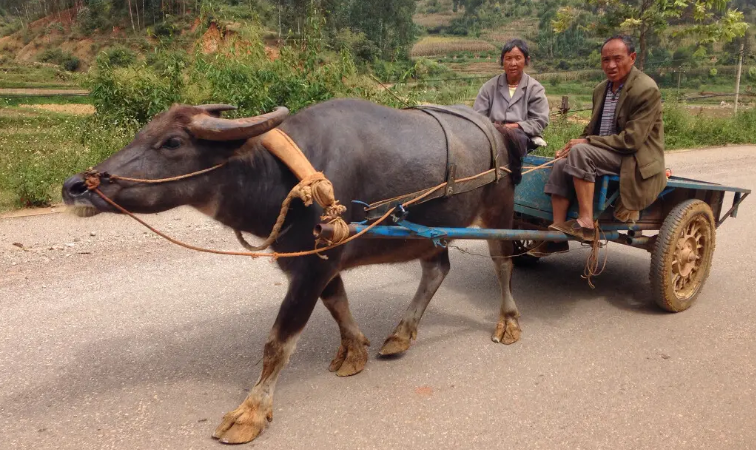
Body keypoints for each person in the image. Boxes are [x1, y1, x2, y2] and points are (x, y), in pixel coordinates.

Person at [545, 35, 666, 242]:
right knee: (561, 164)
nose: (611, 65)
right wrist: (571, 146)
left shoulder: (645, 89)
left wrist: (586, 143)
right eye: (605, 60)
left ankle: (586, 222)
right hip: (605, 154)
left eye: (617, 59)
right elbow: (592, 130)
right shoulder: (601, 89)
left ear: (632, 57)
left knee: (581, 152)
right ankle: (556, 231)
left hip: (633, 158)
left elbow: (632, 141)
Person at [474, 39, 550, 160]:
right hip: (492, 132)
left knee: (515, 140)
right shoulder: (489, 87)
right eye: (508, 58)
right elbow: (478, 116)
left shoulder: (535, 89)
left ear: (526, 60)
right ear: (502, 61)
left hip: (522, 135)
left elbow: (539, 120)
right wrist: (493, 127)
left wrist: (514, 126)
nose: (513, 63)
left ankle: (514, 175)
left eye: (518, 58)